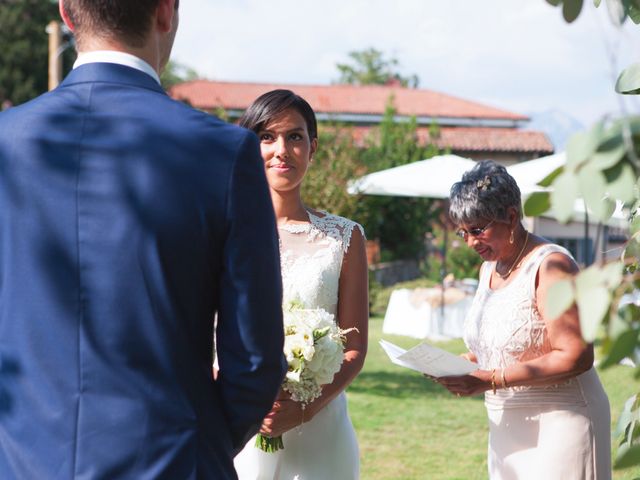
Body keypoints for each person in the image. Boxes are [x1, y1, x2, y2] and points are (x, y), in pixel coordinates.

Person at [0, 1, 286, 478]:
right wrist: (199, 442)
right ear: (166, 12)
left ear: (67, 13)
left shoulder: (6, 142)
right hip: (171, 459)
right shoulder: (223, 152)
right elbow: (254, 362)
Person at [436, 160, 611, 479]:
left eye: (478, 229)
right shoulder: (488, 269)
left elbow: (577, 355)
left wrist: (491, 379)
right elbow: (508, 343)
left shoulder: (551, 266)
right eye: (464, 233)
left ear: (512, 216)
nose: (471, 242)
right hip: (507, 425)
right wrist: (459, 364)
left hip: (562, 421)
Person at [233, 89, 369, 480]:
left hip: (320, 433)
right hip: (238, 425)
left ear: (313, 146)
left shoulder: (344, 237)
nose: (282, 150)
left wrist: (303, 407)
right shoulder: (221, 233)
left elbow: (355, 348)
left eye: (294, 136)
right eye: (267, 137)